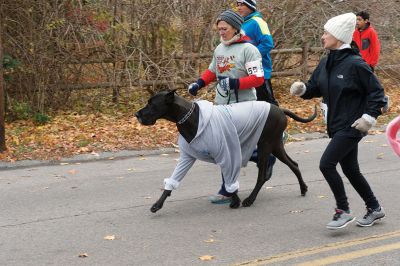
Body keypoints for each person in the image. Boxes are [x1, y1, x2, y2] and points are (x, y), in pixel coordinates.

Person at [289, 13, 387, 229]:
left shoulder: (355, 64)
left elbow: (377, 94)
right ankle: (375, 208)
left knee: (326, 164)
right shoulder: (326, 62)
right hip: (335, 124)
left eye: (326, 33)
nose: (322, 37)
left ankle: (343, 210)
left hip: (353, 125)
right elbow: (315, 87)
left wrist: (368, 118)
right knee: (351, 169)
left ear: (339, 37)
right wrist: (303, 89)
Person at [187, 9, 265, 204]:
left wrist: (236, 83)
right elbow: (213, 71)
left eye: (225, 28)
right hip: (222, 106)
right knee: (228, 146)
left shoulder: (249, 49)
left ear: (235, 27)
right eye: (219, 29)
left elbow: (258, 79)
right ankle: (263, 157)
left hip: (244, 106)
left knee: (229, 148)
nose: (221, 32)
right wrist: (199, 83)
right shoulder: (220, 48)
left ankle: (226, 190)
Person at [236, 0, 281, 181]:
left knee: (268, 105)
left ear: (251, 6)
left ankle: (279, 132)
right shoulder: (241, 23)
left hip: (261, 72)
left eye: (242, 4)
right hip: (245, 74)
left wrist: (250, 56)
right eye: (236, 4)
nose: (238, 7)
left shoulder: (258, 22)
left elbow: (268, 43)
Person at [352, 11, 390, 113]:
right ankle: (380, 100)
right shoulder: (355, 33)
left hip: (368, 64)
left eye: (359, 20)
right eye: (356, 19)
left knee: (368, 86)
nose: (357, 22)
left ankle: (383, 100)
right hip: (358, 64)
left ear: (366, 21)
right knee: (362, 86)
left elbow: (376, 49)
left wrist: (371, 64)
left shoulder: (371, 32)